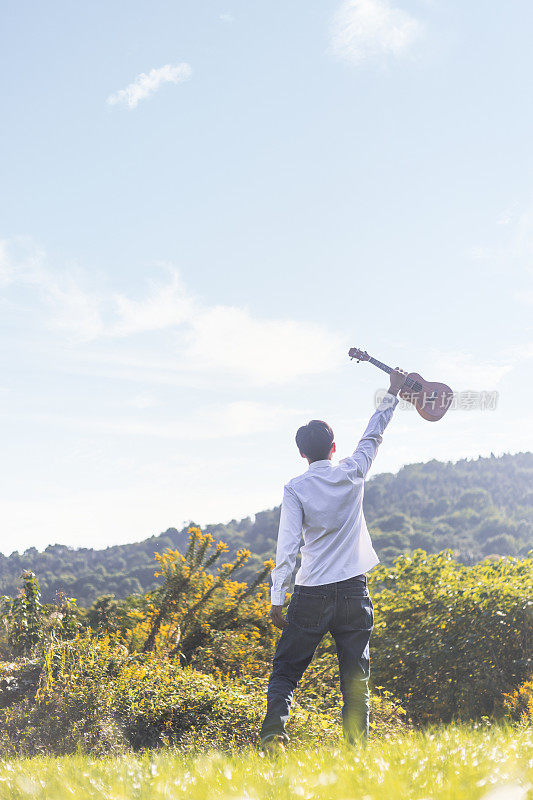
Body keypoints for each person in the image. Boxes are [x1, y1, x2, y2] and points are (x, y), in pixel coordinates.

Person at [259, 366, 408, 752]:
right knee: (355, 677)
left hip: (311, 594)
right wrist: (391, 393)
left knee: (287, 670)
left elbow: (288, 548)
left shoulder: (296, 488)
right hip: (355, 592)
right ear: (333, 447)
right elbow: (374, 434)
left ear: (301, 453)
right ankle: (356, 752)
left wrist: (278, 598)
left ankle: (275, 734)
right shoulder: (353, 471)